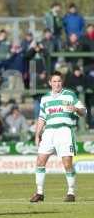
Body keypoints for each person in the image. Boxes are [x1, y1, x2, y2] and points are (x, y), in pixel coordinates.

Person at [30, 71, 86, 203]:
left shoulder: (70, 95)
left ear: (62, 82)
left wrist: (75, 109)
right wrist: (37, 134)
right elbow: (42, 118)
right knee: (40, 161)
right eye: (54, 81)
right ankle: (39, 192)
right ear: (50, 83)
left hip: (64, 131)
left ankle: (71, 192)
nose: (57, 84)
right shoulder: (45, 98)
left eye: (59, 81)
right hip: (49, 132)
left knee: (67, 163)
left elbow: (84, 111)